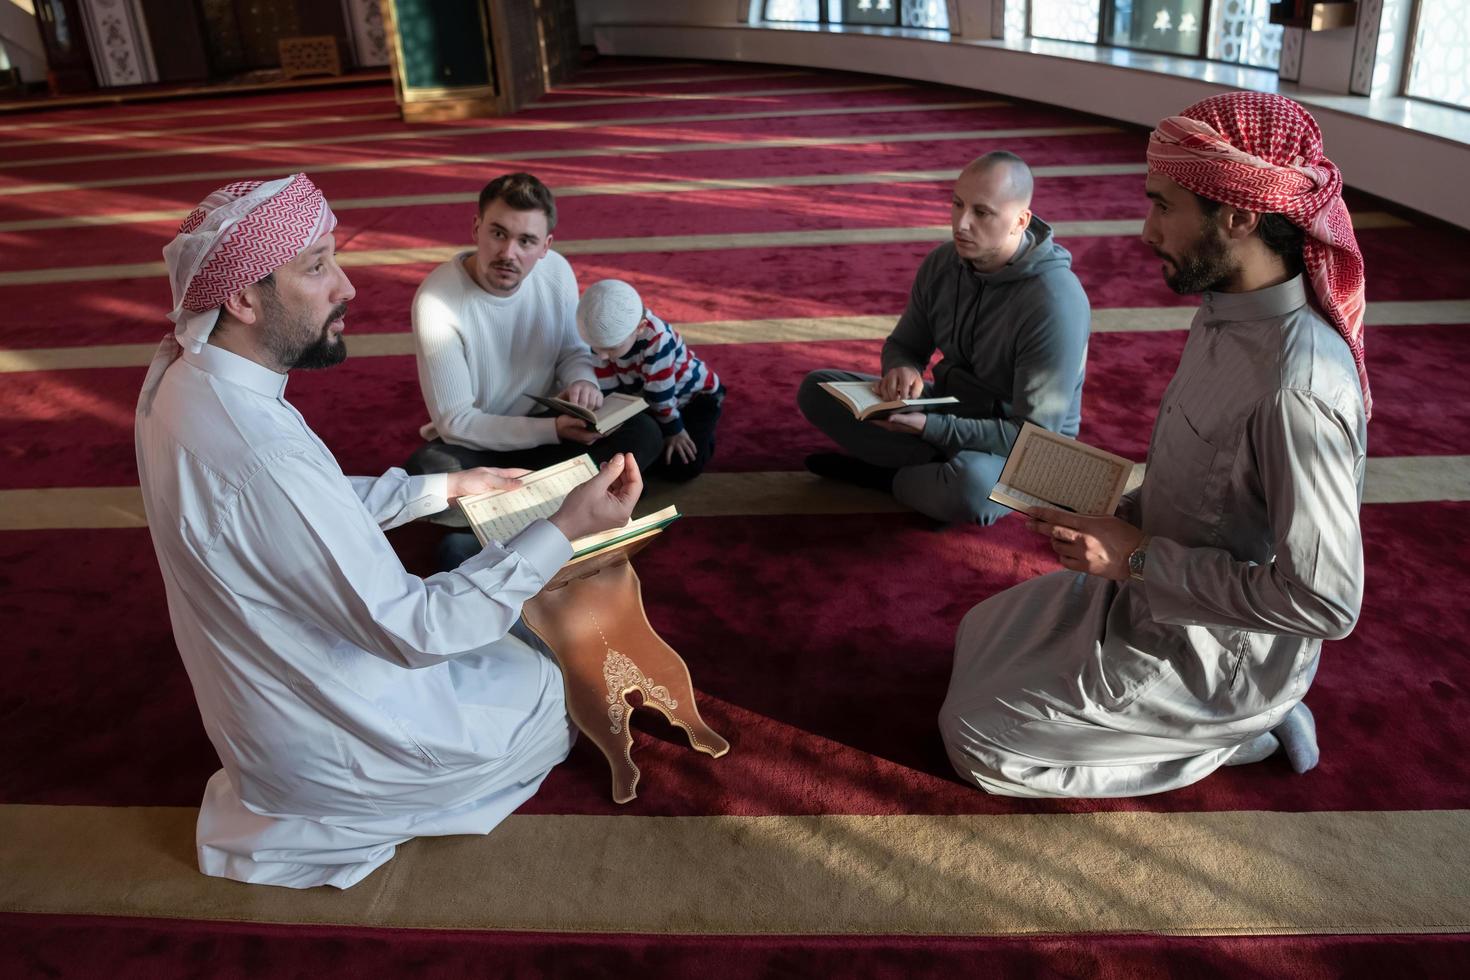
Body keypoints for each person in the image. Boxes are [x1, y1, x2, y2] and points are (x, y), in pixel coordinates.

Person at [135, 174, 643, 888]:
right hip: (344, 752)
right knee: (552, 676)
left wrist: (445, 485)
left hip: (270, 722)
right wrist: (563, 526)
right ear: (244, 298)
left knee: (508, 603)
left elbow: (302, 508)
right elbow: (412, 631)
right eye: (316, 266)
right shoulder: (259, 450)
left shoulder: (182, 377)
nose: (345, 286)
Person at [939, 93, 1370, 798]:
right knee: (979, 632)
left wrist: (1133, 557)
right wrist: (1119, 512)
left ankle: (1240, 731)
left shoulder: (1298, 388)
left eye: (1163, 206)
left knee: (980, 740)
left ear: (1238, 216)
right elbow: (1214, 492)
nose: (1146, 229)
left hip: (1218, 649)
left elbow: (1326, 604)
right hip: (1154, 585)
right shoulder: (1225, 312)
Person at [795, 151, 1090, 524]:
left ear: (1020, 221)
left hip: (1026, 448)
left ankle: (888, 477)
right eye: (957, 204)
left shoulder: (1054, 302)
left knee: (972, 486)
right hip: (952, 406)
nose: (961, 224)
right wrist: (902, 368)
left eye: (981, 213)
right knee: (817, 390)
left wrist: (929, 427)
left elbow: (1033, 436)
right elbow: (905, 344)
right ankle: (931, 475)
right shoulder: (943, 263)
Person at [405, 172, 662, 479]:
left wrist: (583, 382)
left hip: (554, 420)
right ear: (476, 228)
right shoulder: (436, 302)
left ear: (545, 247)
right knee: (427, 471)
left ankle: (521, 504)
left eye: (525, 241)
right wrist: (552, 430)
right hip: (485, 440)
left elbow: (572, 352)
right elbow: (456, 422)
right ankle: (579, 493)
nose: (508, 253)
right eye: (498, 234)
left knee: (643, 431)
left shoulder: (555, 270)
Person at [577, 278, 725, 481]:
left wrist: (674, 430)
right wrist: (608, 417)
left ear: (640, 328)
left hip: (694, 397)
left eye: (611, 348)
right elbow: (607, 383)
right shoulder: (602, 339)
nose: (601, 355)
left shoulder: (658, 338)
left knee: (686, 463)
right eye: (596, 347)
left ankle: (707, 422)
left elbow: (660, 394)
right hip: (645, 398)